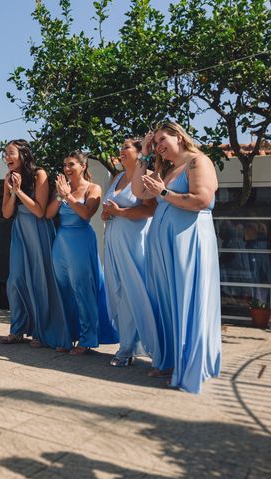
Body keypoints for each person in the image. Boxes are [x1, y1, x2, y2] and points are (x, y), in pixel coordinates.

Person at [131, 120, 221, 393]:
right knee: (167, 300)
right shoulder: (166, 170)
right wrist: (144, 156)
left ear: (179, 137)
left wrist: (165, 193)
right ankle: (169, 359)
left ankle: (188, 366)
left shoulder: (198, 162)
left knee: (185, 299)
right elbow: (138, 191)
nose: (158, 147)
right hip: (163, 244)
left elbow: (201, 200)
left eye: (161, 141)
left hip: (189, 240)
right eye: (155, 143)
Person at [0, 140, 71, 350]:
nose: (7, 158)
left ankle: (42, 331)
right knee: (15, 279)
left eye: (10, 153)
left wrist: (20, 191)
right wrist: (12, 191)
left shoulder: (39, 174)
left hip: (38, 229)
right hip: (20, 229)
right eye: (5, 154)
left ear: (23, 154)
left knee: (40, 279)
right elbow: (5, 213)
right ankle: (18, 329)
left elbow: (40, 211)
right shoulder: (7, 178)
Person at [47, 151, 118, 355]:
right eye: (65, 165)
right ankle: (68, 336)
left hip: (81, 240)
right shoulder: (62, 188)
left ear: (83, 166)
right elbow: (49, 214)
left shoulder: (93, 188)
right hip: (61, 242)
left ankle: (87, 339)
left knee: (82, 289)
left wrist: (68, 196)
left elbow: (87, 214)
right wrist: (61, 195)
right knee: (64, 290)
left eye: (71, 164)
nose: (67, 169)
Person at [100, 139, 157, 367]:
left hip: (134, 243)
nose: (121, 152)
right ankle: (127, 345)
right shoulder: (117, 178)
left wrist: (120, 212)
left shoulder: (148, 176)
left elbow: (149, 209)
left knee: (137, 293)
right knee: (121, 294)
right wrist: (107, 214)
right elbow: (110, 209)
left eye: (126, 148)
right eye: (120, 148)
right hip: (114, 242)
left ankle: (143, 347)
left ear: (139, 152)